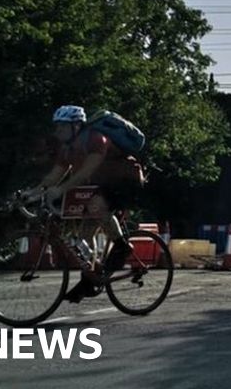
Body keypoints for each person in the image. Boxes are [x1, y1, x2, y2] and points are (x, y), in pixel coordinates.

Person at [22, 105, 145, 302]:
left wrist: (61, 189)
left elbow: (87, 171)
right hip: (100, 185)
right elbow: (54, 175)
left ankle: (122, 246)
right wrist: (32, 192)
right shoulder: (67, 148)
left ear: (76, 126)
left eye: (62, 127)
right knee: (83, 237)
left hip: (125, 181)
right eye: (57, 127)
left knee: (97, 206)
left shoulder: (96, 139)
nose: (57, 131)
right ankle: (91, 278)